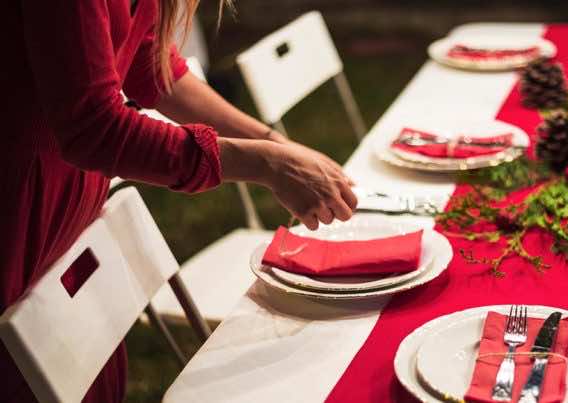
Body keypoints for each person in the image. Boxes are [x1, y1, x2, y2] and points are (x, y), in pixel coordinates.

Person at [0, 0, 356, 401]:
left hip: (69, 213)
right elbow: (94, 129)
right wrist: (265, 164)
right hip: (17, 217)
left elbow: (153, 67)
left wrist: (273, 144)